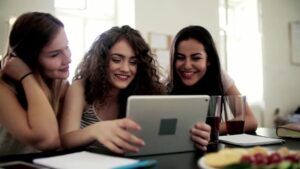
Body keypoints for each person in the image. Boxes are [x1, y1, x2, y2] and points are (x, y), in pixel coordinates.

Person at [60, 25, 166, 154]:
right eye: (117, 60)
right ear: (102, 60)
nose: (126, 69)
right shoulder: (80, 88)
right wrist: (96, 130)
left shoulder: (144, 94)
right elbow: (66, 140)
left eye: (133, 62)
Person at [0, 12, 71, 155]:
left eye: (67, 47)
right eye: (55, 54)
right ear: (27, 58)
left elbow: (60, 142)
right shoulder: (3, 88)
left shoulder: (60, 85)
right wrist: (26, 76)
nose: (68, 59)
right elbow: (48, 140)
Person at [167, 25, 257, 135]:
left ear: (209, 60)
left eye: (196, 58)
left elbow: (250, 120)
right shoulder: (164, 84)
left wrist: (211, 130)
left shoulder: (219, 76)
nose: (187, 65)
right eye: (180, 57)